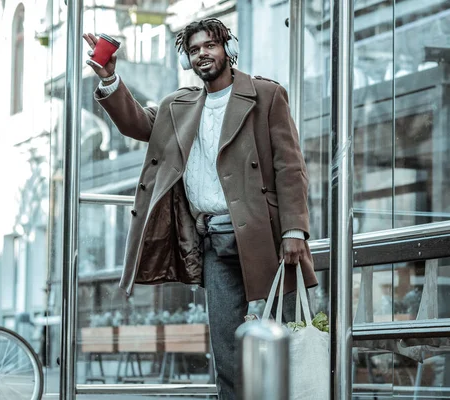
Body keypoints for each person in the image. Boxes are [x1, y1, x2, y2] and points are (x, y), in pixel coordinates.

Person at [83, 18, 318, 399]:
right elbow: (137, 124)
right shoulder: (179, 105)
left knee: (282, 342)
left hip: (265, 238)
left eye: (210, 45)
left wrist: (294, 231)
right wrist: (110, 78)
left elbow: (290, 166)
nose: (202, 54)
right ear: (187, 59)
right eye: (194, 50)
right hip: (212, 241)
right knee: (226, 352)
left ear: (228, 49)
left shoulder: (265, 95)